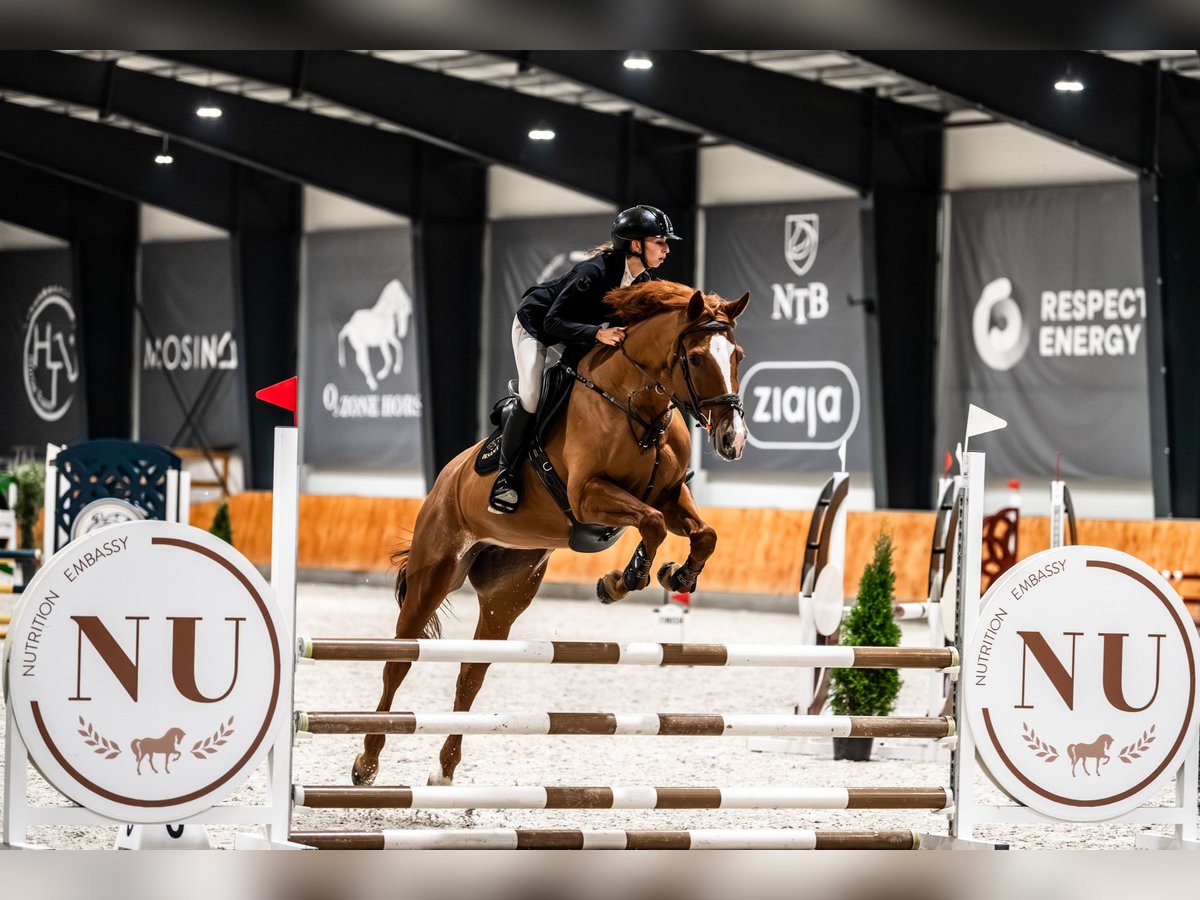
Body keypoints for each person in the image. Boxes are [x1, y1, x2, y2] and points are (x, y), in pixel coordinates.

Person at [488, 205, 681, 514]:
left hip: (578, 331)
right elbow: (553, 322)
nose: (666, 249)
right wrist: (597, 334)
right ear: (636, 245)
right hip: (536, 325)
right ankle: (505, 477)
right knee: (532, 396)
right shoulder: (592, 273)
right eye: (660, 242)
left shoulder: (641, 281)